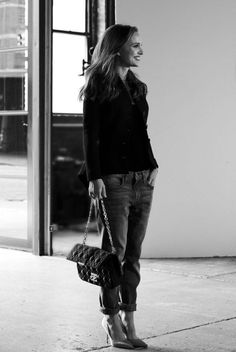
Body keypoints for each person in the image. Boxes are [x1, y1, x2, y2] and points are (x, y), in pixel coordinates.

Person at [79, 24, 158, 349]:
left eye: (140, 44)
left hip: (143, 178)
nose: (140, 50)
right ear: (116, 48)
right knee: (114, 255)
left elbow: (142, 132)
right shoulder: (98, 84)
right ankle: (110, 317)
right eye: (135, 45)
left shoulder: (138, 87)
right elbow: (90, 135)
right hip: (112, 180)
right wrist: (95, 177)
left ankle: (129, 317)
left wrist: (152, 164)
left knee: (134, 256)